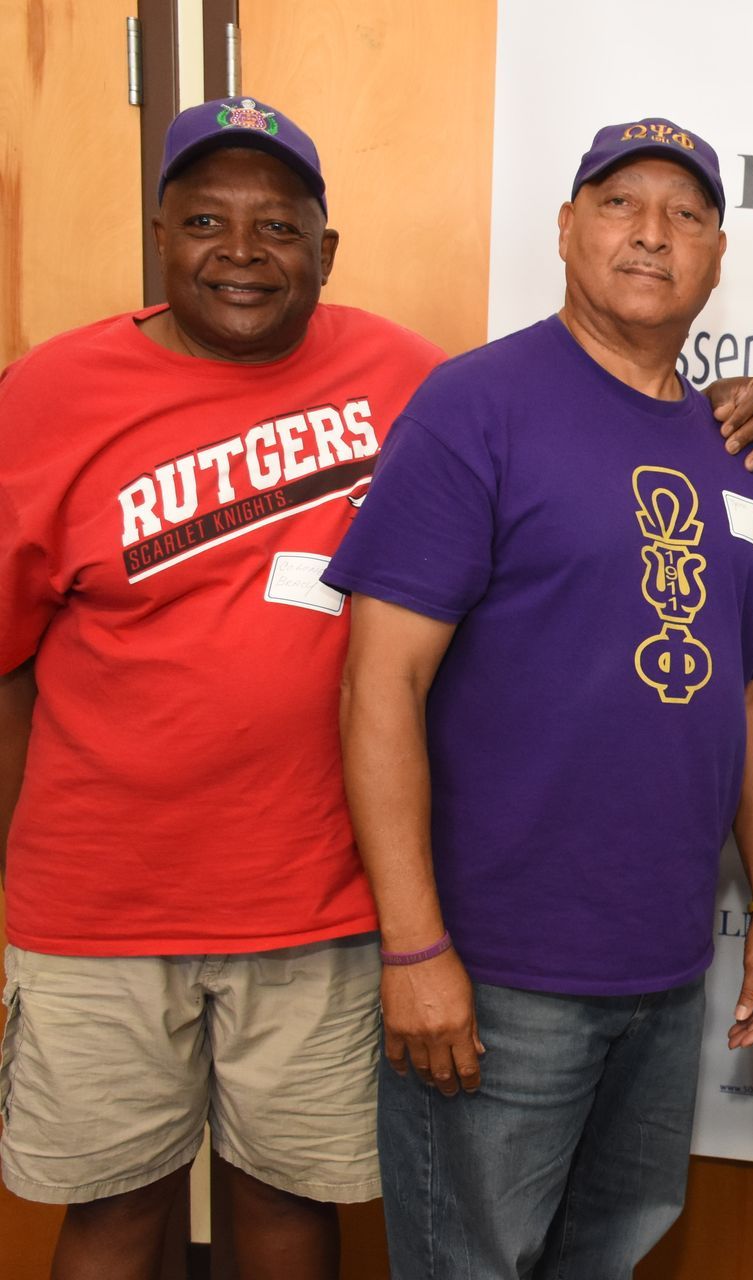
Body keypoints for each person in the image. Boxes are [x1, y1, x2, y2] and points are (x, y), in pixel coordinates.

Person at [323, 116, 753, 1278]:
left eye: (685, 214)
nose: (652, 234)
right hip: (496, 971)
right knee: (471, 1260)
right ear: (564, 227)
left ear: (717, 250)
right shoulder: (476, 406)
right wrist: (413, 946)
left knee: (611, 1253)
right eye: (618, 204)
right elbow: (378, 681)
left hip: (663, 964)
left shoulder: (735, 447)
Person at [0, 97, 441, 1280]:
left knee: (294, 1208)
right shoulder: (46, 396)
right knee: (111, 1212)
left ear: (326, 252)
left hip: (316, 899)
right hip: (99, 910)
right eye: (206, 219)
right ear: (158, 236)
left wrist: (715, 413)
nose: (241, 252)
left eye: (277, 226)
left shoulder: (406, 376)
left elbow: (559, 439)